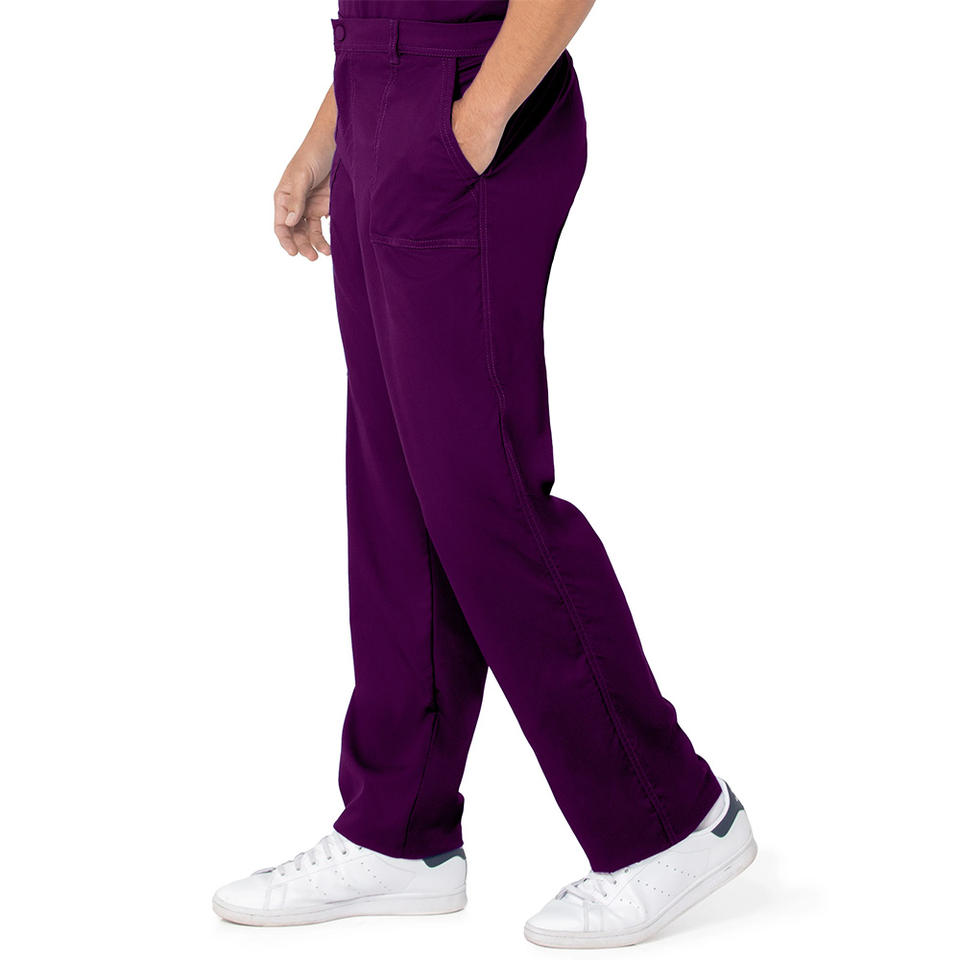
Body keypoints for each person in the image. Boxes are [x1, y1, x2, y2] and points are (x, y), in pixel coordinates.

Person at [212, 0, 755, 947]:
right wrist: (328, 132)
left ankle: (670, 819)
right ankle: (397, 831)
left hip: (466, 103)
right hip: (379, 103)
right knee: (396, 483)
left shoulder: (471, 115)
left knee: (484, 492)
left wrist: (473, 121)